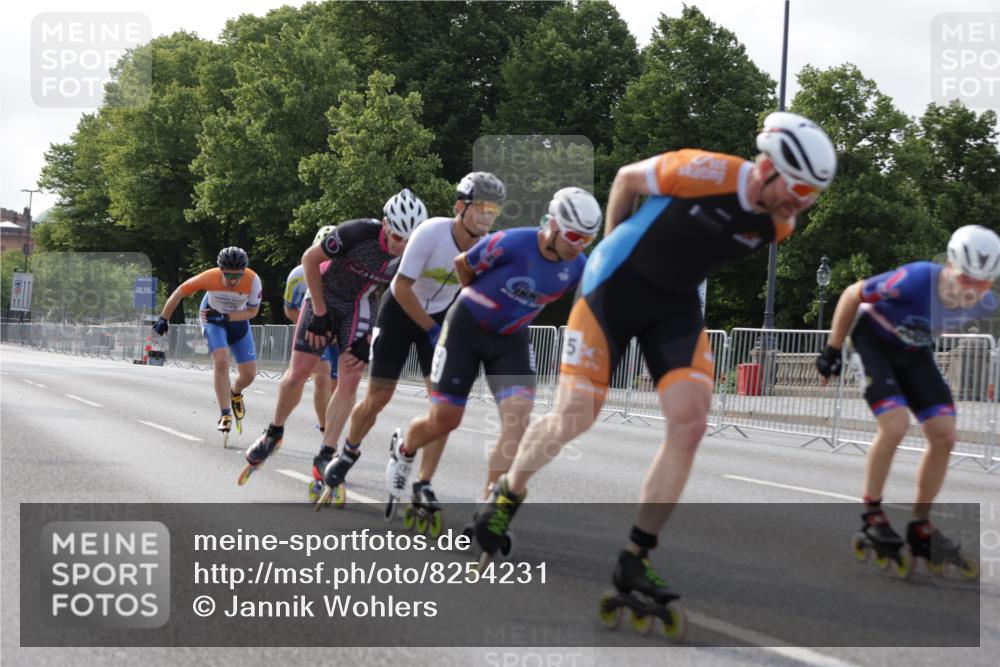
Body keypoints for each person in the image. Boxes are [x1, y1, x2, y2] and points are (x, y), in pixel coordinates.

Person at [471, 112, 837, 620]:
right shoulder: (704, 171)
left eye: (814, 194)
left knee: (690, 423)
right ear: (768, 167)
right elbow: (625, 180)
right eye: (799, 187)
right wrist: (611, 247)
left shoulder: (780, 223)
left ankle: (635, 558)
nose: (802, 204)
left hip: (673, 306)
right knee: (576, 413)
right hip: (612, 288)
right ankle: (505, 497)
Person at [383, 186, 601, 528]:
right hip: (465, 331)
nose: (578, 245)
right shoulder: (512, 242)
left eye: (587, 240)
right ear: (554, 225)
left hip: (510, 340)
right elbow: (462, 266)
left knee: (518, 419)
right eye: (573, 235)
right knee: (446, 419)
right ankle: (405, 449)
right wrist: (479, 297)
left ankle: (488, 502)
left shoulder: (578, 268)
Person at [816, 224, 998, 577]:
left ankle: (920, 524)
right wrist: (832, 349)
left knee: (945, 435)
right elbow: (852, 294)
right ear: (950, 267)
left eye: (982, 284)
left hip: (914, 353)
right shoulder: (916, 278)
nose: (972, 292)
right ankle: (872, 512)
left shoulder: (986, 303)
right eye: (966, 281)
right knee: (895, 426)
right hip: (872, 344)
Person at [318, 173, 503, 517]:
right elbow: (402, 288)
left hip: (439, 321)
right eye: (479, 208)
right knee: (378, 398)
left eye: (492, 210)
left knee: (444, 410)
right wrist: (432, 329)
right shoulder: (431, 231)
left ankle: (423, 482)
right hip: (400, 315)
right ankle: (348, 452)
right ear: (460, 207)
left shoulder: (486, 246)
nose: (486, 217)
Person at [238, 189, 425, 485]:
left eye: (409, 239)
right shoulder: (357, 232)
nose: (401, 245)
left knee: (349, 379)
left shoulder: (413, 253)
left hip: (360, 305)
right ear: (386, 224)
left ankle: (327, 451)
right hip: (323, 296)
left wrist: (371, 337)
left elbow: (399, 295)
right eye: (398, 237)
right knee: (299, 372)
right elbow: (310, 260)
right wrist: (320, 313)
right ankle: (274, 432)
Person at [152, 247, 262, 434]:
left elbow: (252, 312)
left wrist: (226, 316)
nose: (233, 280)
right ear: (220, 270)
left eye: (238, 275)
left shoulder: (253, 281)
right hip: (211, 319)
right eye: (228, 275)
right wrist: (164, 318)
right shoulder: (209, 277)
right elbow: (179, 292)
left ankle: (235, 392)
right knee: (221, 361)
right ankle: (225, 413)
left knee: (249, 375)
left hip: (235, 321)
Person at [283, 225, 340, 436]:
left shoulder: (347, 273)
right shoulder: (298, 275)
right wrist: (316, 325)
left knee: (337, 384)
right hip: (312, 329)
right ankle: (325, 429)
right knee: (322, 375)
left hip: (337, 333)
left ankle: (331, 423)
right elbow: (289, 310)